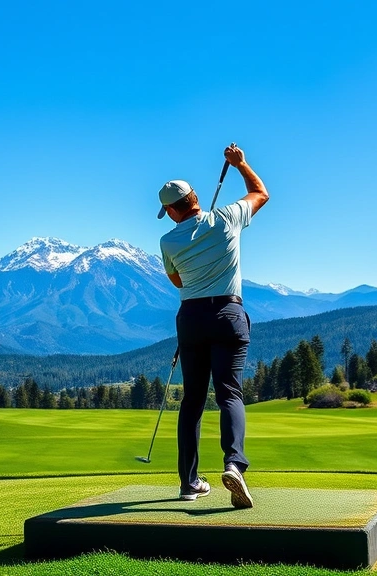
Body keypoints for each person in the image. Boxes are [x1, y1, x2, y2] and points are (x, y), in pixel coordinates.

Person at [157, 143, 269, 508]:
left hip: (191, 318)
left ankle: (189, 484)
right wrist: (240, 163)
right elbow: (260, 193)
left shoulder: (168, 240)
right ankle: (234, 464)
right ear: (196, 198)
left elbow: (178, 282)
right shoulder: (226, 218)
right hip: (228, 314)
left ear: (174, 209)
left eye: (169, 211)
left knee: (192, 401)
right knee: (229, 394)